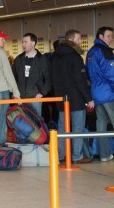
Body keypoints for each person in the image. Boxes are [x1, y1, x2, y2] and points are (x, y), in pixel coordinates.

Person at [53, 29, 94, 164]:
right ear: (71, 40)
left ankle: (60, 155)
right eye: (78, 39)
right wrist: (88, 99)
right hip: (76, 99)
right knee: (77, 128)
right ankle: (77, 156)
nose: (80, 42)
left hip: (61, 98)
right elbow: (80, 81)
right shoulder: (75, 57)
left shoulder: (55, 55)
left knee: (62, 128)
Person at [86, 26, 114, 162]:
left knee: (101, 124)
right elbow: (111, 74)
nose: (111, 39)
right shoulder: (105, 51)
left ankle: (104, 155)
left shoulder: (91, 52)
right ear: (100, 37)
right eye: (108, 36)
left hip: (96, 92)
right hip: (108, 93)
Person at [12, 33, 52, 116]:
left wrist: (42, 93)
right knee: (21, 123)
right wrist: (14, 93)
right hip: (20, 98)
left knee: (36, 123)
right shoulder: (19, 59)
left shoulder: (42, 60)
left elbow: (49, 78)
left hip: (35, 98)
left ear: (33, 43)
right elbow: (13, 77)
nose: (23, 44)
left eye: (25, 42)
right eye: (22, 42)